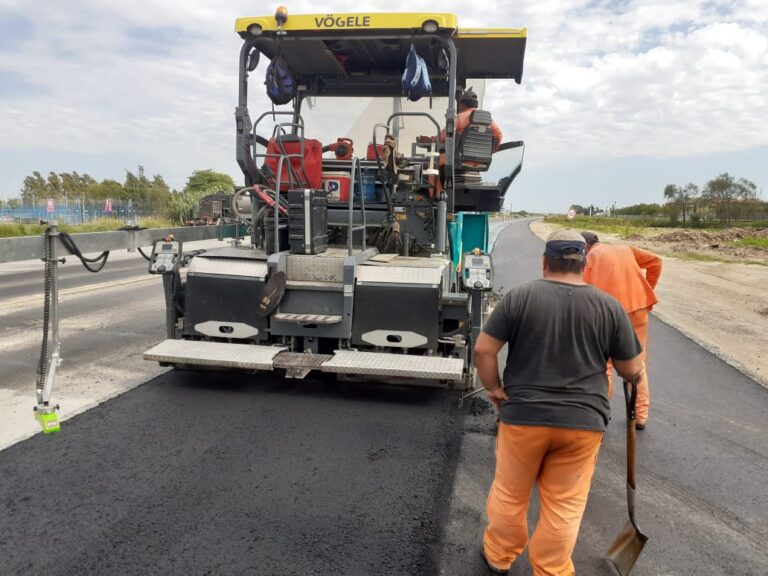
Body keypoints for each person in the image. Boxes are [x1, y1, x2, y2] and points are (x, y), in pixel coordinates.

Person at [474, 229, 646, 575]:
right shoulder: (609, 306)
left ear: (544, 261)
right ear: (583, 263)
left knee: (510, 493)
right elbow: (632, 370)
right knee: (565, 505)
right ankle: (551, 568)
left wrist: (494, 389)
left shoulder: (519, 298)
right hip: (582, 424)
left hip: (523, 416)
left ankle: (499, 555)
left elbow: (483, 350)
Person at [581, 231, 662, 429]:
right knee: (637, 363)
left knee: (604, 365)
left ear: (586, 246)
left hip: (608, 314)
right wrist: (646, 289)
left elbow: (581, 291)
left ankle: (601, 413)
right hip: (638, 310)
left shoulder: (590, 258)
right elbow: (656, 261)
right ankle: (640, 416)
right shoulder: (626, 249)